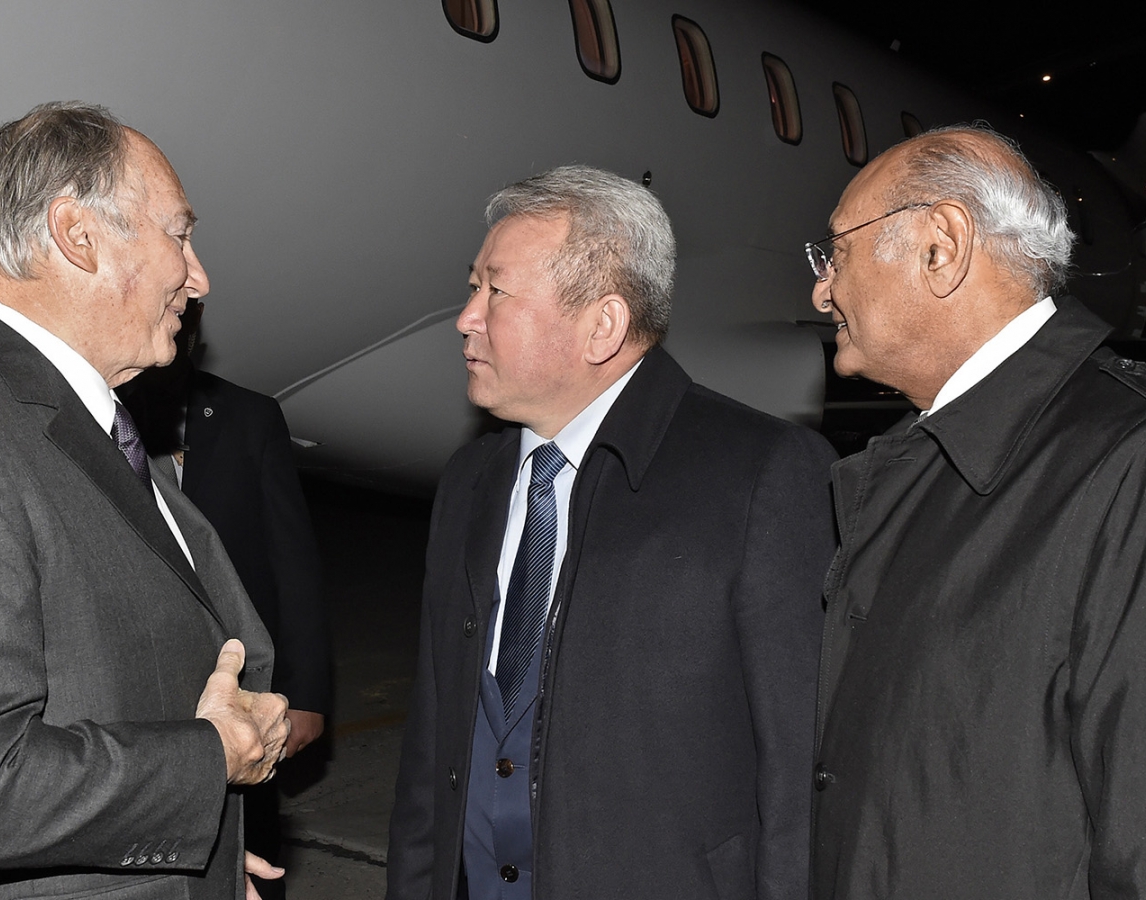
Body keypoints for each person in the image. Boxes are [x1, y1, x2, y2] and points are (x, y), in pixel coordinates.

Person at [0, 101, 290, 899]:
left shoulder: (82, 420)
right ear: (78, 234)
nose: (199, 278)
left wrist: (206, 858)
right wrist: (213, 759)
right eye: (180, 234)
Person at [386, 165, 837, 900]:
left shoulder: (765, 476)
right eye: (473, 287)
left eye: (495, 291)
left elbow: (799, 770)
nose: (467, 317)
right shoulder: (471, 479)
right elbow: (432, 746)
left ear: (602, 324)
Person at [809, 125, 1146, 897]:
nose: (822, 289)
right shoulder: (928, 459)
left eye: (838, 252)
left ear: (941, 246)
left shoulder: (1126, 464)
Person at [121, 298, 332, 900]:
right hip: (146, 680)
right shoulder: (101, 411)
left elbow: (294, 563)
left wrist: (308, 693)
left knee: (252, 847)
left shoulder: (249, 416)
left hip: (244, 682)